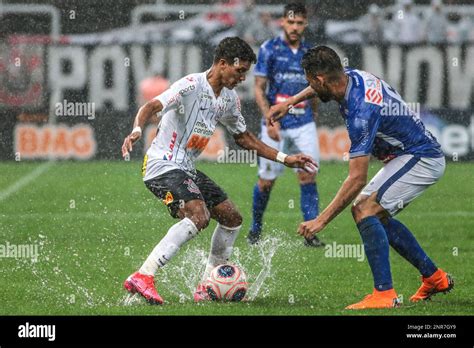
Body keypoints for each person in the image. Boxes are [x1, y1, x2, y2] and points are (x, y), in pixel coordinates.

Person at [121, 37, 317, 305]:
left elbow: (244, 138)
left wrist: (285, 158)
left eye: (245, 73)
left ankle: (206, 285)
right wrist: (136, 130)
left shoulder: (228, 101)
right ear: (222, 64)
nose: (242, 78)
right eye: (239, 71)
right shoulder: (190, 85)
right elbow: (151, 106)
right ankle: (144, 275)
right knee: (198, 215)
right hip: (161, 166)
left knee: (231, 217)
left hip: (186, 168)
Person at [268, 45, 454, 309]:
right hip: (406, 154)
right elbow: (320, 85)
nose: (309, 86)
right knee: (370, 212)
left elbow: (356, 179)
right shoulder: (349, 76)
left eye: (310, 81)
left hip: (421, 157)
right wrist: (289, 101)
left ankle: (384, 295)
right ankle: (434, 278)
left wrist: (321, 221)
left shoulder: (361, 112)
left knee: (365, 209)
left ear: (320, 79)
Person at [248, 3, 324, 247]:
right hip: (275, 125)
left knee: (308, 176)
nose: (294, 27)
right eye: (290, 22)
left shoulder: (311, 53)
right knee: (266, 181)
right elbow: (258, 89)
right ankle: (255, 229)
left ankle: (310, 233)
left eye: (299, 23)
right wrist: (268, 119)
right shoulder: (269, 49)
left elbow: (315, 89)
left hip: (303, 123)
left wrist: (314, 117)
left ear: (305, 24)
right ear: (282, 22)